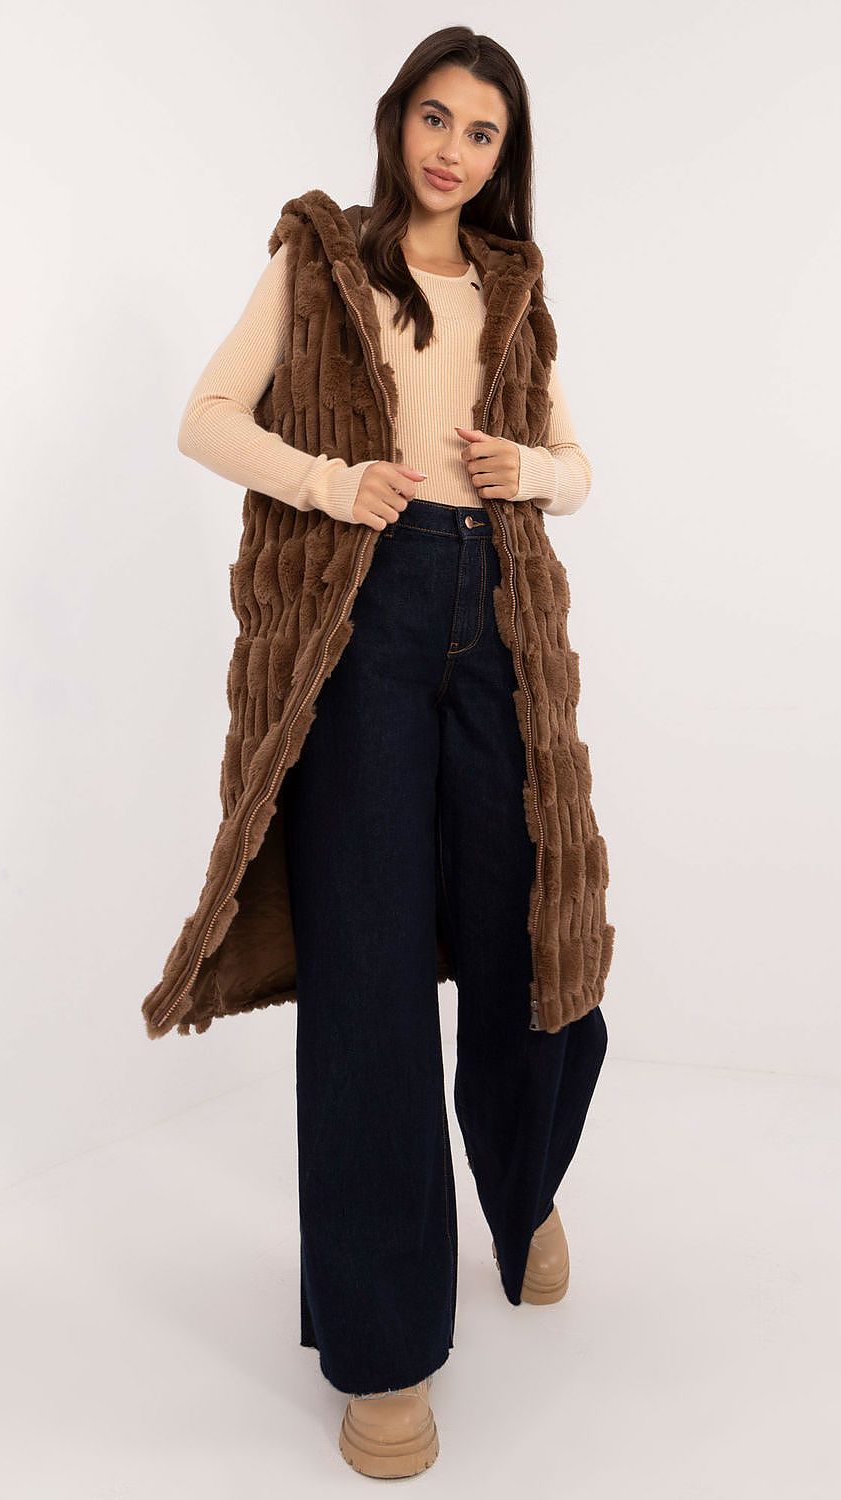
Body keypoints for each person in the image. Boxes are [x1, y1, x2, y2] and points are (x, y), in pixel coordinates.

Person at [170, 26, 610, 1480]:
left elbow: (578, 466)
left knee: (533, 935)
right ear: (396, 120)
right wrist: (328, 481)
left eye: (483, 133)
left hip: (501, 617)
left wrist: (525, 470)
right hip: (364, 622)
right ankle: (384, 1350)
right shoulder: (320, 260)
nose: (453, 150)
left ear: (503, 157)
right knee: (367, 981)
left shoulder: (516, 287)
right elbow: (206, 418)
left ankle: (522, 1187)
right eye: (437, 117)